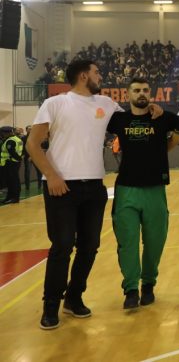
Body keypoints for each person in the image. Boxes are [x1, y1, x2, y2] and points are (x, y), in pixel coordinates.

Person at [27, 59, 125, 329]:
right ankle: (50, 305)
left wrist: (153, 108)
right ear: (83, 76)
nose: (100, 76)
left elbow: (132, 120)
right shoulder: (55, 104)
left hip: (94, 186)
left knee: (90, 246)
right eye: (97, 72)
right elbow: (33, 144)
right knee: (62, 246)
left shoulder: (106, 104)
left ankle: (73, 297)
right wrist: (52, 176)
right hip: (61, 186)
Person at [107, 78, 179, 309]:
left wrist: (166, 147)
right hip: (126, 189)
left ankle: (148, 284)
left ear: (150, 94)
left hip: (155, 189)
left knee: (155, 242)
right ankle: (131, 289)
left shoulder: (162, 117)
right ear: (127, 95)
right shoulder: (118, 119)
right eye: (136, 90)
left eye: (145, 90)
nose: (141, 93)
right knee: (128, 242)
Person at [1, 127, 23, 204]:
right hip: (14, 163)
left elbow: (12, 152)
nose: (3, 135)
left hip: (11, 163)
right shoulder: (17, 139)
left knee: (13, 181)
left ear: (7, 133)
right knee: (11, 181)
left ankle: (14, 198)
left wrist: (18, 159)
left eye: (3, 133)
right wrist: (19, 159)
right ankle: (9, 197)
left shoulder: (10, 141)